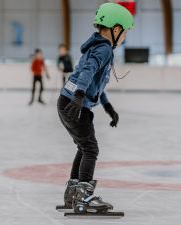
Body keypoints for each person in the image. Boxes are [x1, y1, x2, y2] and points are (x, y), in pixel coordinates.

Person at [57, 3, 134, 214]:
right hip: (75, 103)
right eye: (125, 32)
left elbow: (95, 83)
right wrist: (80, 96)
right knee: (91, 149)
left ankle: (73, 194)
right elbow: (88, 72)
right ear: (116, 30)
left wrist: (108, 107)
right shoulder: (104, 48)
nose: (125, 37)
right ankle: (84, 198)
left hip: (67, 101)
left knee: (83, 147)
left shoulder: (95, 47)